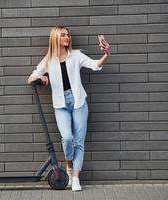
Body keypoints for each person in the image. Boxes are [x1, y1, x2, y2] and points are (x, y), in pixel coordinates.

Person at [27, 26, 110, 191]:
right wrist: (41, 78)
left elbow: (95, 65)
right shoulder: (49, 60)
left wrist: (106, 54)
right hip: (60, 104)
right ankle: (69, 167)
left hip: (79, 101)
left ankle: (76, 178)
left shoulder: (76, 56)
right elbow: (31, 77)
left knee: (79, 142)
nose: (68, 37)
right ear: (56, 38)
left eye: (68, 35)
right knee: (67, 138)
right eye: (63, 35)